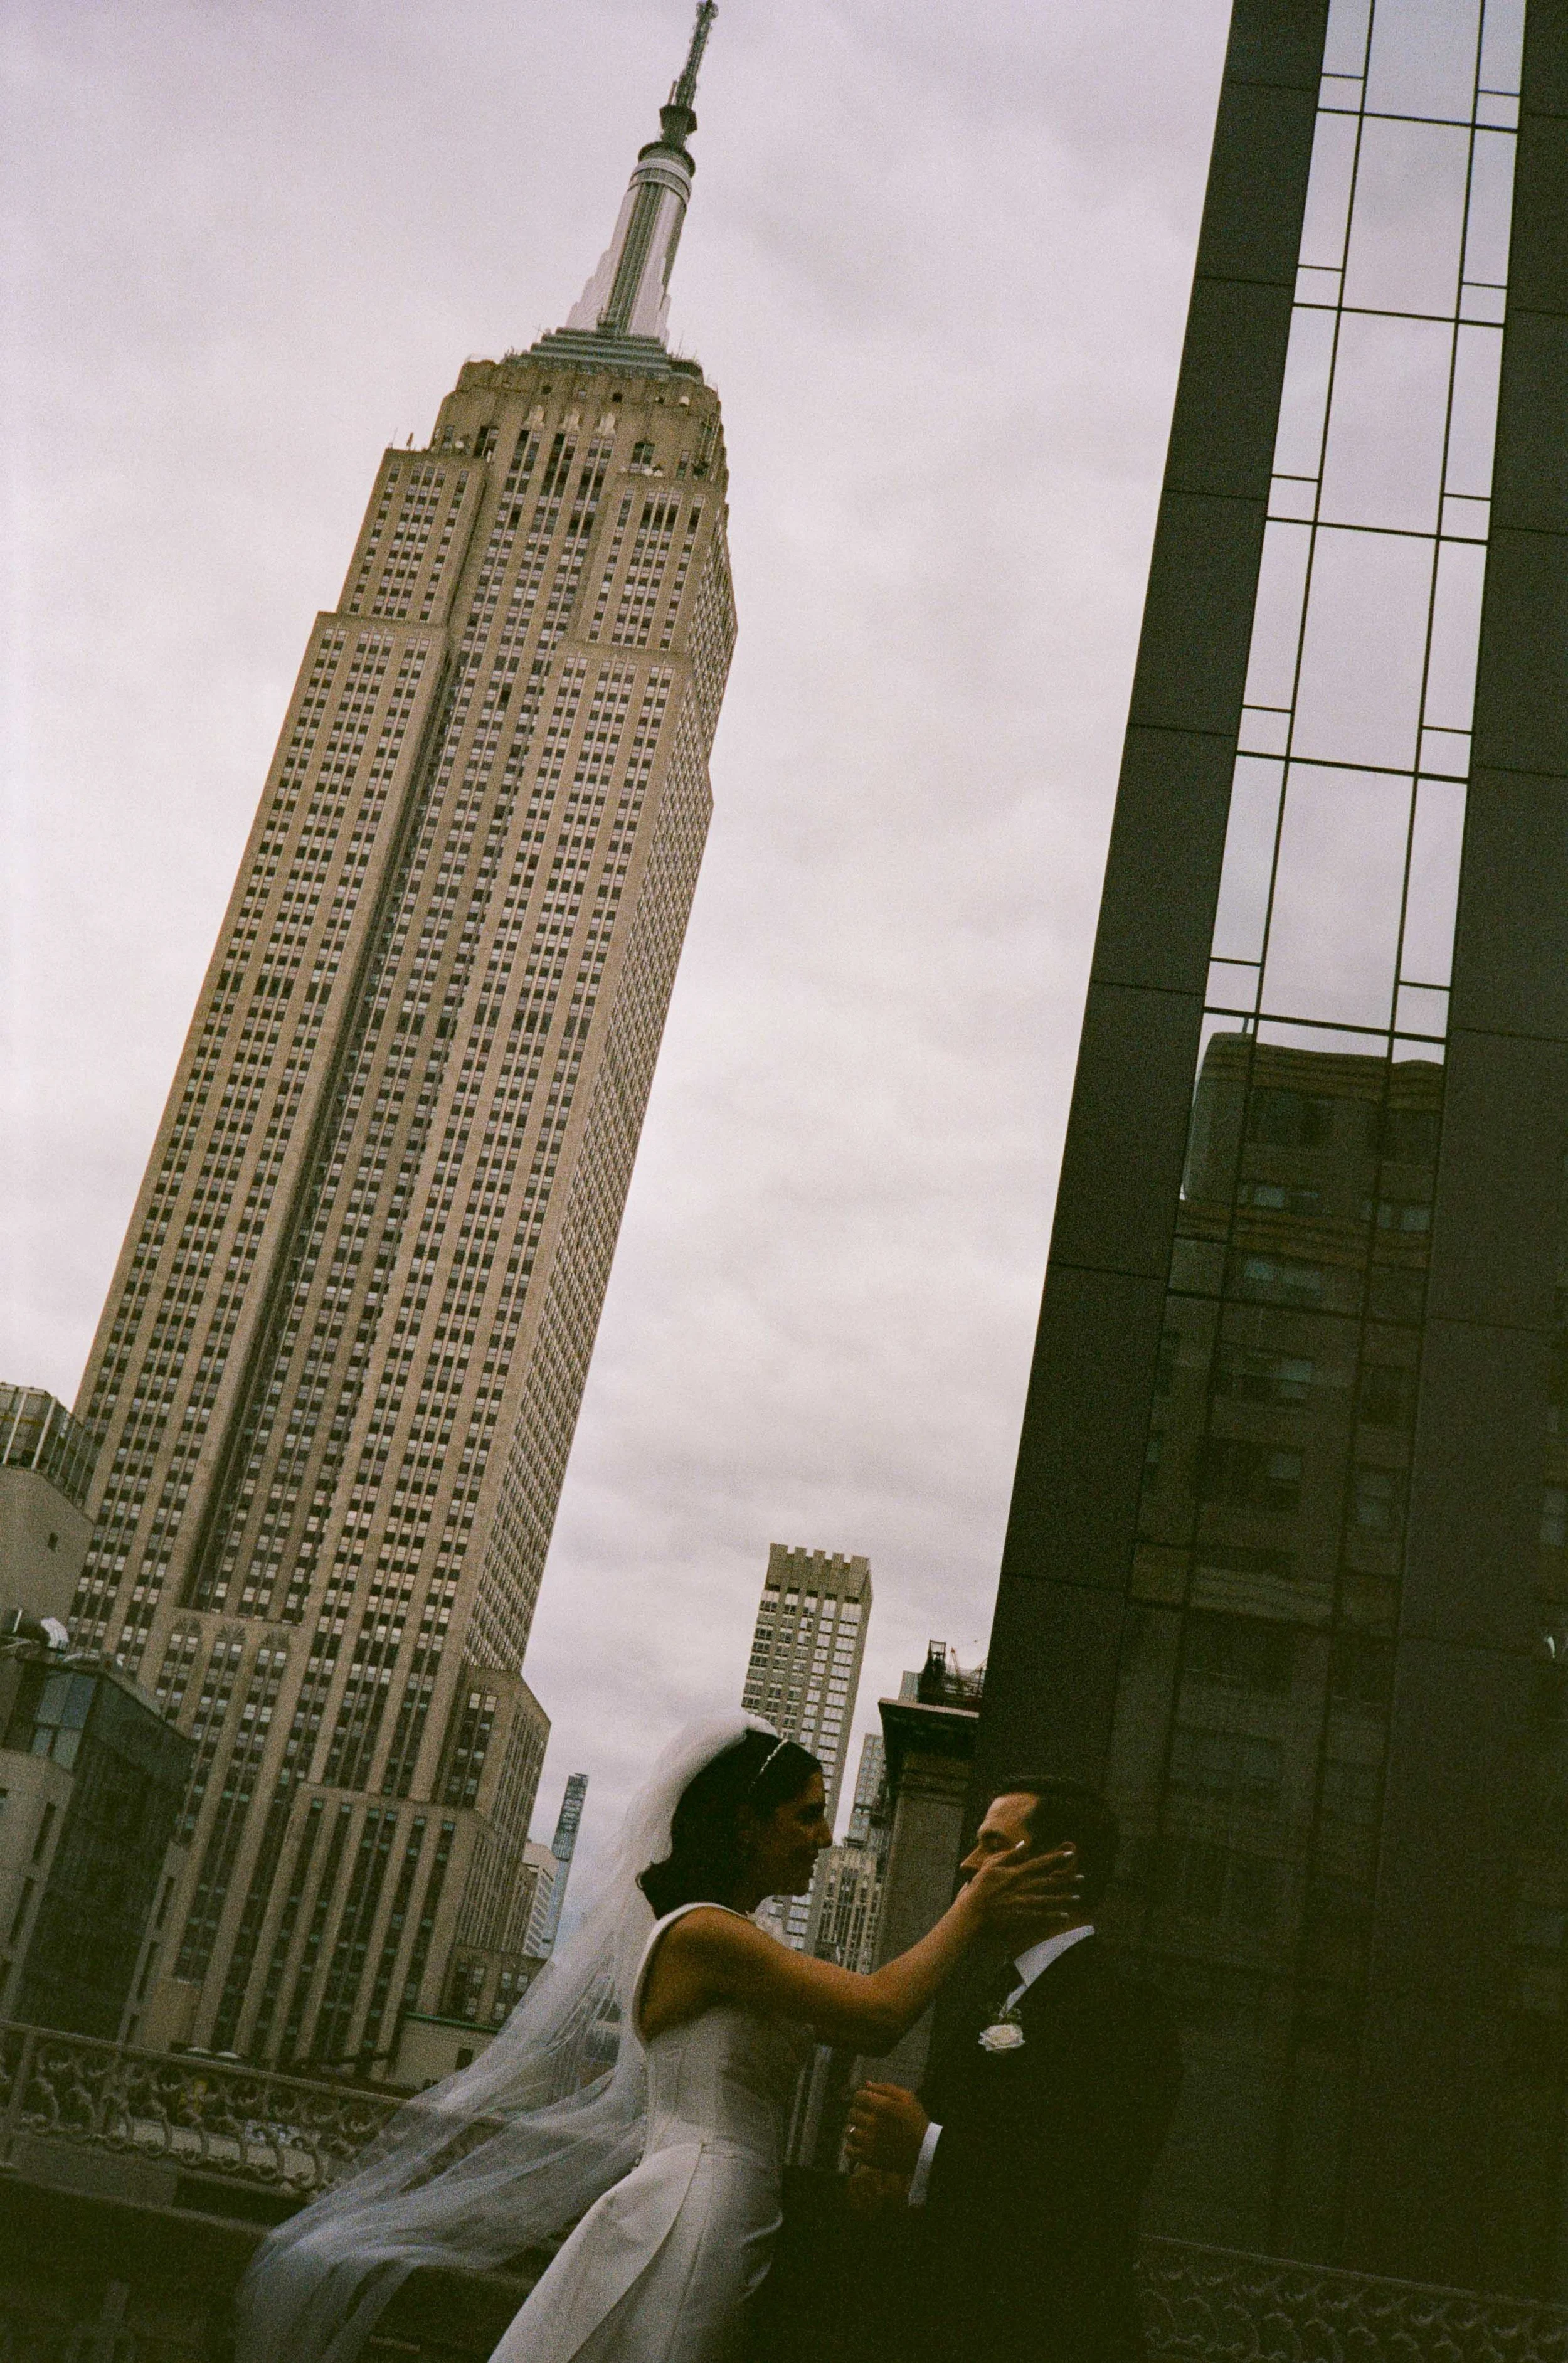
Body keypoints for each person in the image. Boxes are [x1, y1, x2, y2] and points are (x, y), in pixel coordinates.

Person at [233, 1715, 1076, 2363]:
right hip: (695, 2206)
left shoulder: (746, 1942)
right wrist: (976, 1902)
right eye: (807, 1815)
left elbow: (865, 2007)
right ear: (749, 1825)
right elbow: (879, 2010)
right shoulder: (705, 1933)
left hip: (735, 2205)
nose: (825, 1836)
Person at [845, 1777, 1182, 2363]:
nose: (968, 1863)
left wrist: (923, 2146)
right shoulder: (999, 1989)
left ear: (1058, 1863)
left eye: (993, 1844)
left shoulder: (1126, 2009)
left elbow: (1087, 2192)